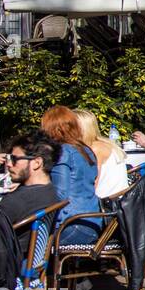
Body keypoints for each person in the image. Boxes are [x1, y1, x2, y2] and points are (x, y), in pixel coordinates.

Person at [0, 130, 61, 225]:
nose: (9, 164)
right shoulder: (50, 191)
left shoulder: (18, 201)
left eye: (14, 159)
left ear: (37, 163)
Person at [41, 105, 102, 246]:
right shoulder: (85, 150)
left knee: (25, 242)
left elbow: (60, 194)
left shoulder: (62, 152)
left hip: (70, 225)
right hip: (93, 222)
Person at [74, 110, 129, 199]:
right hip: (120, 200)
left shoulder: (95, 149)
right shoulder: (105, 143)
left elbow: (92, 184)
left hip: (106, 205)